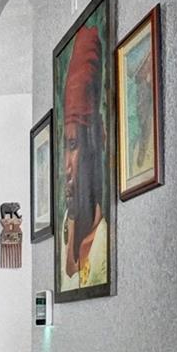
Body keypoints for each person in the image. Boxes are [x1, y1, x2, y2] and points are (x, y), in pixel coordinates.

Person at [59, 30, 109, 290]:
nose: (66, 167)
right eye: (65, 148)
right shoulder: (62, 235)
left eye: (74, 145)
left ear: (97, 140)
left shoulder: (103, 243)